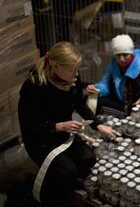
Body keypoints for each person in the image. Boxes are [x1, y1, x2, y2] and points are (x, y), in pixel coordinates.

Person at [18, 42, 117, 206]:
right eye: (73, 69)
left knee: (88, 159)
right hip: (40, 139)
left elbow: (80, 103)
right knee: (67, 171)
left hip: (63, 135)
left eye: (77, 68)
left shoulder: (71, 79)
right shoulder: (34, 87)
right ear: (55, 66)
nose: (77, 74)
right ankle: (45, 197)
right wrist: (59, 126)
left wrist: (98, 125)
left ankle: (65, 184)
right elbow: (29, 126)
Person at [87, 34, 140, 116]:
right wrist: (97, 89)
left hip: (138, 108)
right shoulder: (113, 66)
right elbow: (105, 85)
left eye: (125, 55)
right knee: (97, 101)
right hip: (122, 105)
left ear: (132, 53)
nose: (121, 59)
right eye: (118, 55)